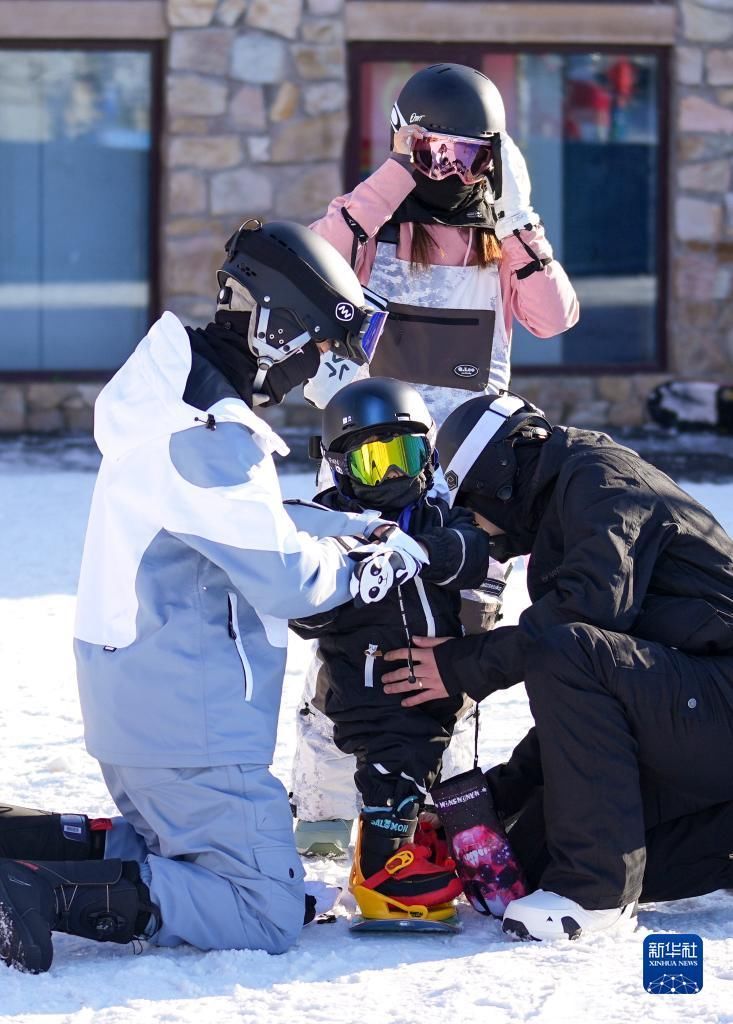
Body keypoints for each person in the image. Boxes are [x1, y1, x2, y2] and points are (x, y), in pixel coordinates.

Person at [0, 221, 426, 974]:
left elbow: (227, 527)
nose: (311, 373)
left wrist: (338, 525)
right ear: (274, 327)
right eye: (315, 350)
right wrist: (363, 566)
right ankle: (36, 891)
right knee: (263, 908)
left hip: (148, 696)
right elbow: (286, 578)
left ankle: (22, 840)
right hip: (189, 721)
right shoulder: (209, 436)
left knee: (175, 846)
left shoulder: (171, 398)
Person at [291, 61, 580, 856]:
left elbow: (553, 318)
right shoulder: (369, 226)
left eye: (468, 155)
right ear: (402, 144)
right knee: (349, 646)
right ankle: (318, 820)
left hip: (466, 482)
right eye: (432, 152)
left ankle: (436, 824)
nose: (449, 171)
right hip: (362, 470)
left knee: (455, 654)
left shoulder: (499, 240)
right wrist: (391, 177)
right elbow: (316, 266)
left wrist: (519, 216)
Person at [379, 391, 733, 941]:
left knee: (567, 647)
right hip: (695, 716)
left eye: (471, 505)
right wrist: (494, 799)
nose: (476, 525)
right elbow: (585, 713)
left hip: (719, 700)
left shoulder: (601, 479)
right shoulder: (564, 505)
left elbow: (584, 620)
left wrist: (461, 665)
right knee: (534, 865)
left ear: (502, 470)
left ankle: (596, 895)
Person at [289, 377, 494, 922]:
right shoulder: (329, 526)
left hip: (439, 678)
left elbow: (472, 550)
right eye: (375, 463)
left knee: (430, 758)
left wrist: (422, 551)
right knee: (392, 763)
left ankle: (414, 836)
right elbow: (303, 610)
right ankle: (382, 869)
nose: (395, 476)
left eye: (405, 455)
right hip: (367, 685)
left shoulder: (436, 514)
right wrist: (352, 571)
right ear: (340, 467)